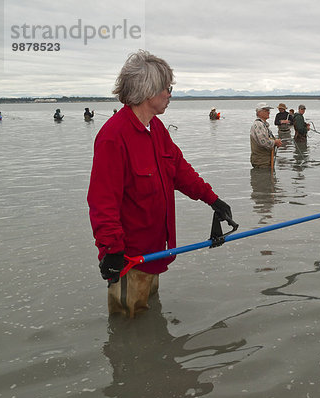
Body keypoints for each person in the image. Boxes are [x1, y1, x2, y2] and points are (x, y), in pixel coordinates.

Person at [87, 50, 234, 318]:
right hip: (129, 259)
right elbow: (102, 201)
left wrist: (213, 199)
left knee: (149, 322)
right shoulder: (113, 137)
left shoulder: (156, 129)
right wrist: (111, 251)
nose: (170, 94)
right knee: (127, 326)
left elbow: (180, 170)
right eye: (167, 88)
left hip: (155, 253)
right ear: (149, 91)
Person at [250, 102, 283, 168]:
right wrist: (275, 142)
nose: (269, 112)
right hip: (261, 162)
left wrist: (276, 142)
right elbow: (263, 142)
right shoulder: (258, 124)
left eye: (269, 110)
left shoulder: (263, 125)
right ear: (259, 112)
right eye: (266, 110)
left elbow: (268, 140)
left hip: (266, 161)